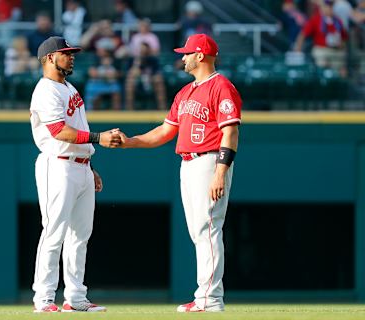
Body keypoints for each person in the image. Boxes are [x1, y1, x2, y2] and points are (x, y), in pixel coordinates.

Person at [117, 34, 241, 313]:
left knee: (208, 228)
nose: (182, 57)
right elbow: (164, 131)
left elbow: (230, 132)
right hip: (188, 163)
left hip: (209, 160)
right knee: (199, 232)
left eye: (187, 53)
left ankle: (210, 299)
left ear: (201, 55)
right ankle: (204, 297)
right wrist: (131, 141)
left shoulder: (221, 86)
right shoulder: (185, 93)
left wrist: (221, 172)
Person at [30, 36, 122, 313]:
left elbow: (76, 127)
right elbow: (59, 131)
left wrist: (89, 166)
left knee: (80, 235)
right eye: (66, 53)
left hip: (80, 165)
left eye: (71, 53)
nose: (71, 57)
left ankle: (76, 298)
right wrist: (98, 138)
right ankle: (44, 298)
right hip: (57, 164)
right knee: (54, 232)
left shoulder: (68, 87)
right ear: (49, 58)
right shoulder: (45, 90)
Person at [294, 0, 348, 77]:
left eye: (330, 6)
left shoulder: (337, 21)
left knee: (342, 67)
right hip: (321, 49)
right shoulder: (316, 19)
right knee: (323, 60)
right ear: (322, 8)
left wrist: (341, 44)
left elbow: (344, 38)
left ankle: (340, 85)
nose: (329, 8)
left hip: (336, 50)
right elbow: (303, 35)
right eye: (327, 6)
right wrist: (298, 49)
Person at [125, 42, 167, 110]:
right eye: (141, 50)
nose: (142, 52)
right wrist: (136, 63)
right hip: (137, 82)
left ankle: (162, 109)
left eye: (144, 50)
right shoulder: (132, 60)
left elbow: (157, 73)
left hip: (150, 81)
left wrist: (150, 77)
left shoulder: (153, 60)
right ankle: (130, 110)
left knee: (158, 81)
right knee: (130, 82)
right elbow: (129, 74)